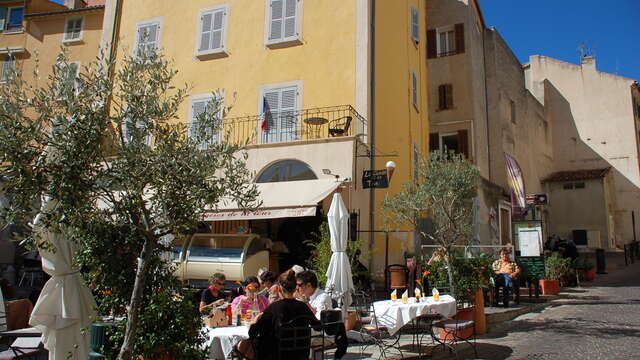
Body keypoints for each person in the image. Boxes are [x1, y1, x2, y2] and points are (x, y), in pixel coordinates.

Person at [249, 270, 321, 360]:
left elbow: (252, 333)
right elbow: (318, 327)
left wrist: (255, 321)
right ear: (295, 288)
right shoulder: (303, 307)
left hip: (277, 355)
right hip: (300, 355)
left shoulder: (273, 308)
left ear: (279, 288)